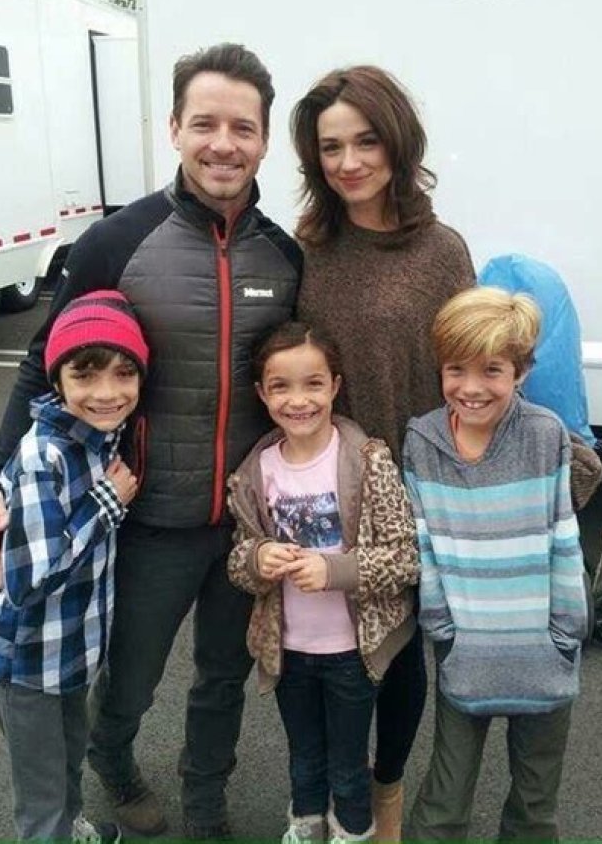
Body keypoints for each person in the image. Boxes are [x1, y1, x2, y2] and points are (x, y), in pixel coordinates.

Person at [0, 43, 302, 838]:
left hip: (245, 520)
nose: (224, 143)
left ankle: (206, 799)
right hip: (147, 515)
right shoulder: (116, 241)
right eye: (205, 123)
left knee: (222, 676)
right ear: (174, 129)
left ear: (264, 140)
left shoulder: (284, 257)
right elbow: (42, 361)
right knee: (131, 677)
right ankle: (112, 760)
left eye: (243, 127)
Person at [292, 64, 476, 839]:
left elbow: (469, 367)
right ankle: (327, 801)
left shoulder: (441, 251)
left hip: (413, 491)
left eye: (365, 141)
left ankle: (386, 794)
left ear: (398, 142)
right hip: (321, 488)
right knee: (321, 659)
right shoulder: (306, 249)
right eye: (330, 147)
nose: (348, 162)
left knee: (399, 658)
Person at [402, 286, 589, 842]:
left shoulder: (545, 434)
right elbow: (423, 542)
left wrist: (566, 632)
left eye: (492, 370)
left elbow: (563, 536)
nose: (471, 387)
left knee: (535, 800)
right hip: (465, 650)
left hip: (543, 648)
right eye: (455, 369)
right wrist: (443, 630)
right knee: (445, 799)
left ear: (521, 371)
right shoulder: (422, 440)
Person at [227, 321, 419, 843]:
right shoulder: (256, 471)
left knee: (348, 766)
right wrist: (259, 558)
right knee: (304, 756)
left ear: (335, 386)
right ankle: (305, 827)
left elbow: (405, 557)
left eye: (313, 384)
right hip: (289, 651)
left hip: (351, 653)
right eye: (281, 386)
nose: (298, 400)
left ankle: (351, 833)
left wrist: (335, 571)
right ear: (262, 394)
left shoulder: (367, 459)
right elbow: (238, 560)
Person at [0, 289, 149, 843]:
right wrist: (108, 503)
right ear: (57, 380)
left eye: (124, 373)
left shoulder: (99, 437)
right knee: (41, 800)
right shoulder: (42, 456)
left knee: (69, 761)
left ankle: (75, 830)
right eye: (85, 374)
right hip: (27, 663)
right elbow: (31, 580)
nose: (107, 392)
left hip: (72, 653)